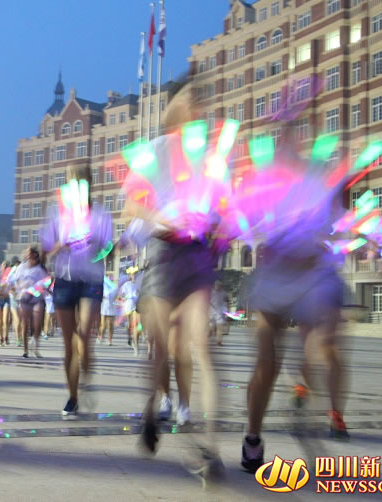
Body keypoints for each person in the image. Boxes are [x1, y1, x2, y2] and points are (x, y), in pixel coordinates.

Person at [240, 137, 349, 473]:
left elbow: (335, 228)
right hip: (273, 275)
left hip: (313, 273)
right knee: (267, 363)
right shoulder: (263, 185)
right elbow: (242, 220)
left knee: (324, 343)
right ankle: (253, 437)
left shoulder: (318, 183)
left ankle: (313, 410)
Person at [129, 96, 221, 481]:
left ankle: (208, 446)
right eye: (193, 108)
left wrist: (220, 225)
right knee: (162, 349)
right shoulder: (154, 152)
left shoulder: (212, 156)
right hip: (164, 251)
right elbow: (131, 205)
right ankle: (153, 406)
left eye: (202, 110)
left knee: (201, 349)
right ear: (177, 116)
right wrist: (159, 216)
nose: (199, 115)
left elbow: (225, 204)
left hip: (198, 255)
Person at [40, 165, 112, 418]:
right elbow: (46, 250)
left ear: (89, 185)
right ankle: (73, 397)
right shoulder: (58, 215)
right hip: (65, 279)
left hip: (91, 280)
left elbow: (109, 250)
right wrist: (62, 245)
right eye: (71, 182)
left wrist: (97, 246)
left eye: (81, 182)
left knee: (83, 336)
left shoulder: (101, 215)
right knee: (69, 345)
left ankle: (87, 380)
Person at [13, 247, 48, 358]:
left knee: (37, 324)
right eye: (26, 253)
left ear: (34, 254)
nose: (27, 255)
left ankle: (35, 347)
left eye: (29, 253)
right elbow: (16, 281)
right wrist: (18, 289)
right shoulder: (21, 267)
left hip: (37, 298)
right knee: (25, 324)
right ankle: (26, 350)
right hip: (24, 298)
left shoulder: (40, 268)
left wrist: (40, 289)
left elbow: (46, 283)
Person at [0, 261, 12, 346]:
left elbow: (11, 290)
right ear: (0, 267)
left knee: (6, 320)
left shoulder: (9, 277)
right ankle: (1, 338)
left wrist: (6, 291)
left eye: (6, 265)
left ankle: (6, 336)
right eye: (3, 265)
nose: (5, 267)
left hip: (6, 299)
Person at [207, 280, 228, 346]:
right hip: (211, 312)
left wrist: (226, 311)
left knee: (220, 327)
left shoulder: (224, 293)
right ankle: (206, 338)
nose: (218, 286)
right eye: (217, 285)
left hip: (220, 312)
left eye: (220, 285)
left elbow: (226, 302)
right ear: (214, 285)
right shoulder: (211, 292)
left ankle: (219, 341)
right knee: (211, 329)